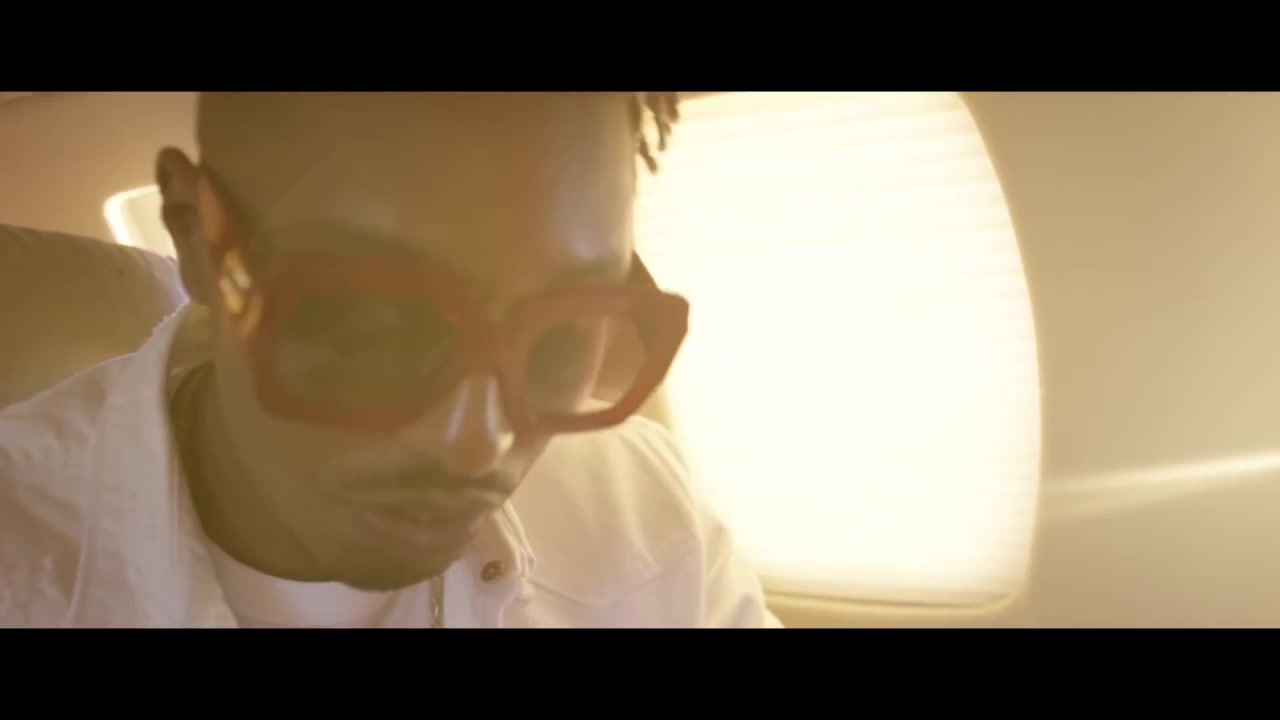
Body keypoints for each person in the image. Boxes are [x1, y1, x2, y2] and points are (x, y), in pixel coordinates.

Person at [0, 92, 783, 628]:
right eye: (371, 327)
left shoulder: (647, 509)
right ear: (197, 238)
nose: (477, 446)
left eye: (563, 331)